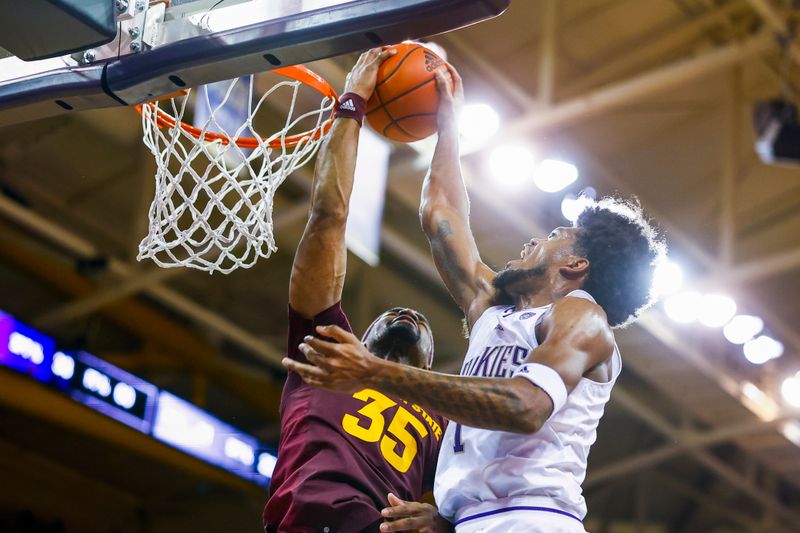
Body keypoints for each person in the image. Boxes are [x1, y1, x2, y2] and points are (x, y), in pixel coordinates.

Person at [283, 64, 665, 533]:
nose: (531, 242)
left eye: (550, 236)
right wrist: (447, 120)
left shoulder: (582, 315)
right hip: (475, 522)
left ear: (575, 266)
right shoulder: (492, 310)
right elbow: (440, 213)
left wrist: (375, 371)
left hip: (533, 520)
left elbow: (524, 406)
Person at [263, 48, 447, 533]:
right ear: (357, 339)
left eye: (423, 326)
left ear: (430, 368)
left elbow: (497, 494)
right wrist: (352, 105)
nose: (409, 316)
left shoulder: (445, 416)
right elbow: (329, 218)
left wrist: (448, 520)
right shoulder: (326, 348)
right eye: (392, 316)